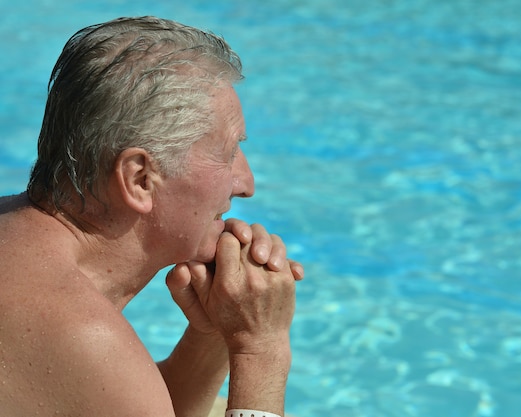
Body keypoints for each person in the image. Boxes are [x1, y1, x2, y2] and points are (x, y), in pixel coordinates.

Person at [0, 16, 304, 417]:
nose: (246, 183)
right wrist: (259, 348)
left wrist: (213, 333)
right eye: (228, 152)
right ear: (140, 178)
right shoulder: (84, 338)